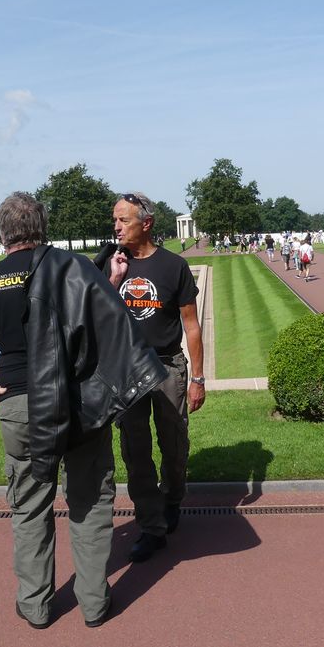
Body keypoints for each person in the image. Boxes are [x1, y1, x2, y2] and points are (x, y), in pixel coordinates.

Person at [0, 192, 164, 629]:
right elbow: (107, 321)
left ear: (2, 231)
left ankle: (36, 604)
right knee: (91, 501)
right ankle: (95, 603)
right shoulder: (73, 266)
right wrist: (112, 283)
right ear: (42, 227)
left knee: (29, 505)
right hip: (80, 401)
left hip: (20, 403)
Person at [107, 192, 206, 563]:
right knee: (135, 450)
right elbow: (98, 317)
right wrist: (113, 280)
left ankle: (172, 500)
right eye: (115, 220)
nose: (116, 226)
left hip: (167, 367)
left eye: (123, 220)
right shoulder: (110, 263)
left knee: (174, 443)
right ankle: (150, 525)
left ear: (145, 223)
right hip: (127, 369)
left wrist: (198, 379)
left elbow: (191, 325)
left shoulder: (173, 266)